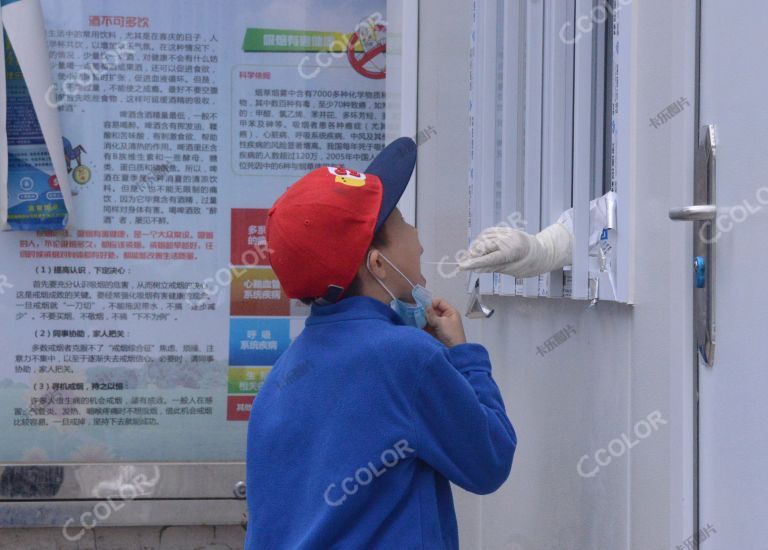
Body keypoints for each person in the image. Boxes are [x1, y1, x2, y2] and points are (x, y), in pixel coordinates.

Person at [245, 137, 517, 549]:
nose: (419, 239)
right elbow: (490, 461)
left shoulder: (281, 377)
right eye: (404, 224)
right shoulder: (407, 357)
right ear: (378, 264)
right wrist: (464, 357)